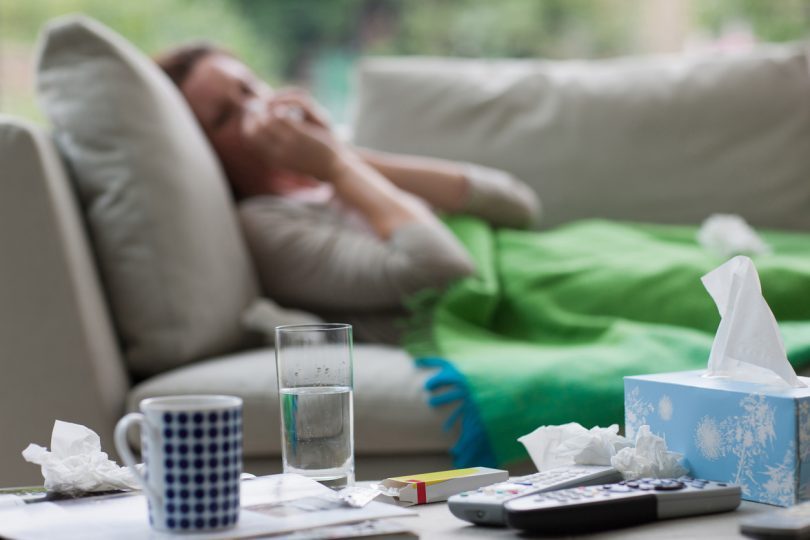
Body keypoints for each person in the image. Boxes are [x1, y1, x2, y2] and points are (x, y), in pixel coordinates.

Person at [156, 43, 540, 343]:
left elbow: (518, 204)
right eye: (225, 116)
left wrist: (342, 157)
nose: (255, 108)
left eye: (249, 87)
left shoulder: (339, 171)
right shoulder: (264, 224)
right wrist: (336, 167)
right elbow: (443, 271)